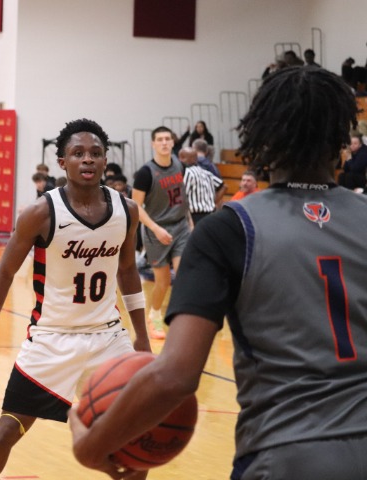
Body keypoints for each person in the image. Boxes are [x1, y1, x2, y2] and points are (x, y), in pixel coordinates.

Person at [69, 66, 367, 480]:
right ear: (342, 140)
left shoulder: (230, 228)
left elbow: (175, 377)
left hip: (286, 453)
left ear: (263, 137)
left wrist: (92, 446)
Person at [0, 118, 151, 480]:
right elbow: (3, 274)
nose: (88, 159)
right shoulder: (40, 212)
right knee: (7, 430)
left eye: (95, 153)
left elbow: (128, 271)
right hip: (51, 338)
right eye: (78, 153)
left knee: (136, 436)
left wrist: (141, 335)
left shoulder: (126, 210)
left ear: (105, 160)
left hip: (108, 338)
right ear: (62, 162)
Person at [131, 126, 192, 340]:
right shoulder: (145, 173)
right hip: (156, 229)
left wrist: (190, 223)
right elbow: (136, 207)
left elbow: (182, 198)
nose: (164, 142)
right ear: (153, 144)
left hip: (180, 227)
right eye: (160, 139)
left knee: (185, 275)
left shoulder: (180, 165)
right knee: (163, 282)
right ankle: (154, 316)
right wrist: (156, 229)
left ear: (173, 142)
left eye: (167, 139)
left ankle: (180, 319)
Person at [178, 147, 225, 225]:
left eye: (182, 157)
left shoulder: (187, 173)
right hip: (210, 214)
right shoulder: (206, 173)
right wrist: (213, 202)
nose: (179, 160)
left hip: (195, 216)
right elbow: (223, 186)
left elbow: (181, 195)